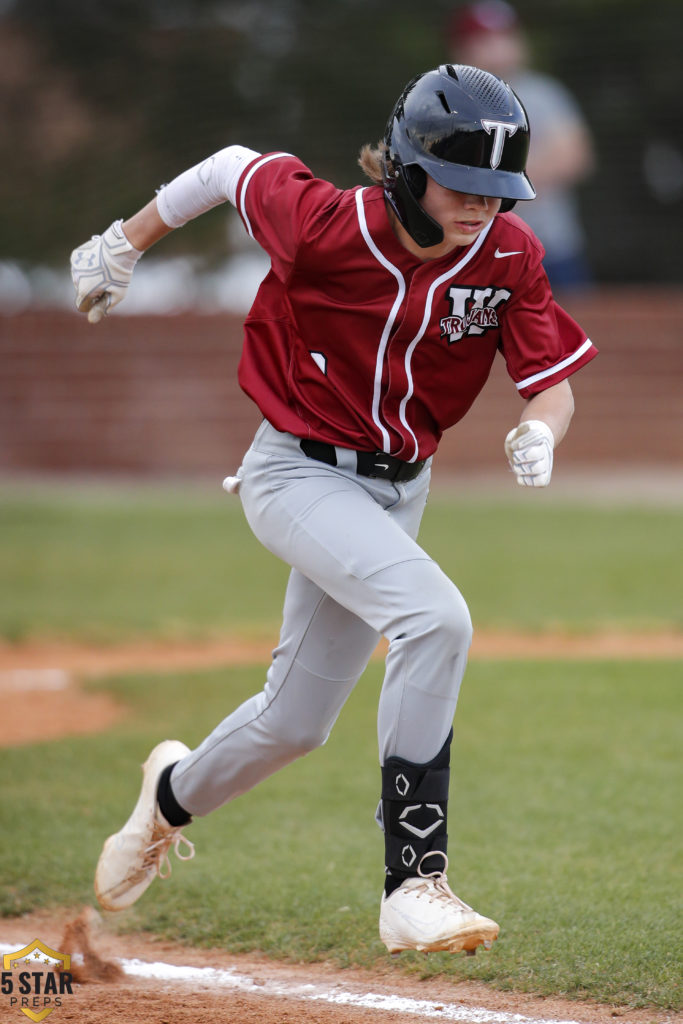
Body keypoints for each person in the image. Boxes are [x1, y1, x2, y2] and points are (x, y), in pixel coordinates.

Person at [69, 63, 597, 956]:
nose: (480, 204)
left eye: (494, 188)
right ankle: (413, 883)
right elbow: (230, 165)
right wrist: (125, 241)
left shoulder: (510, 253)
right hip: (296, 473)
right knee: (435, 621)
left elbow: (551, 388)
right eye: (460, 182)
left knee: (294, 723)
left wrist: (541, 430)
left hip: (400, 487)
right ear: (404, 167)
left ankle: (164, 801)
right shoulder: (325, 222)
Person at [447, 1, 595, 289]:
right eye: (485, 39)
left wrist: (493, 181)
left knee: (571, 330)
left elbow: (574, 156)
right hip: (476, 252)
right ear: (461, 49)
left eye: (505, 36)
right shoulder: (446, 101)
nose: (499, 46)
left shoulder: (544, 93)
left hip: (551, 248)